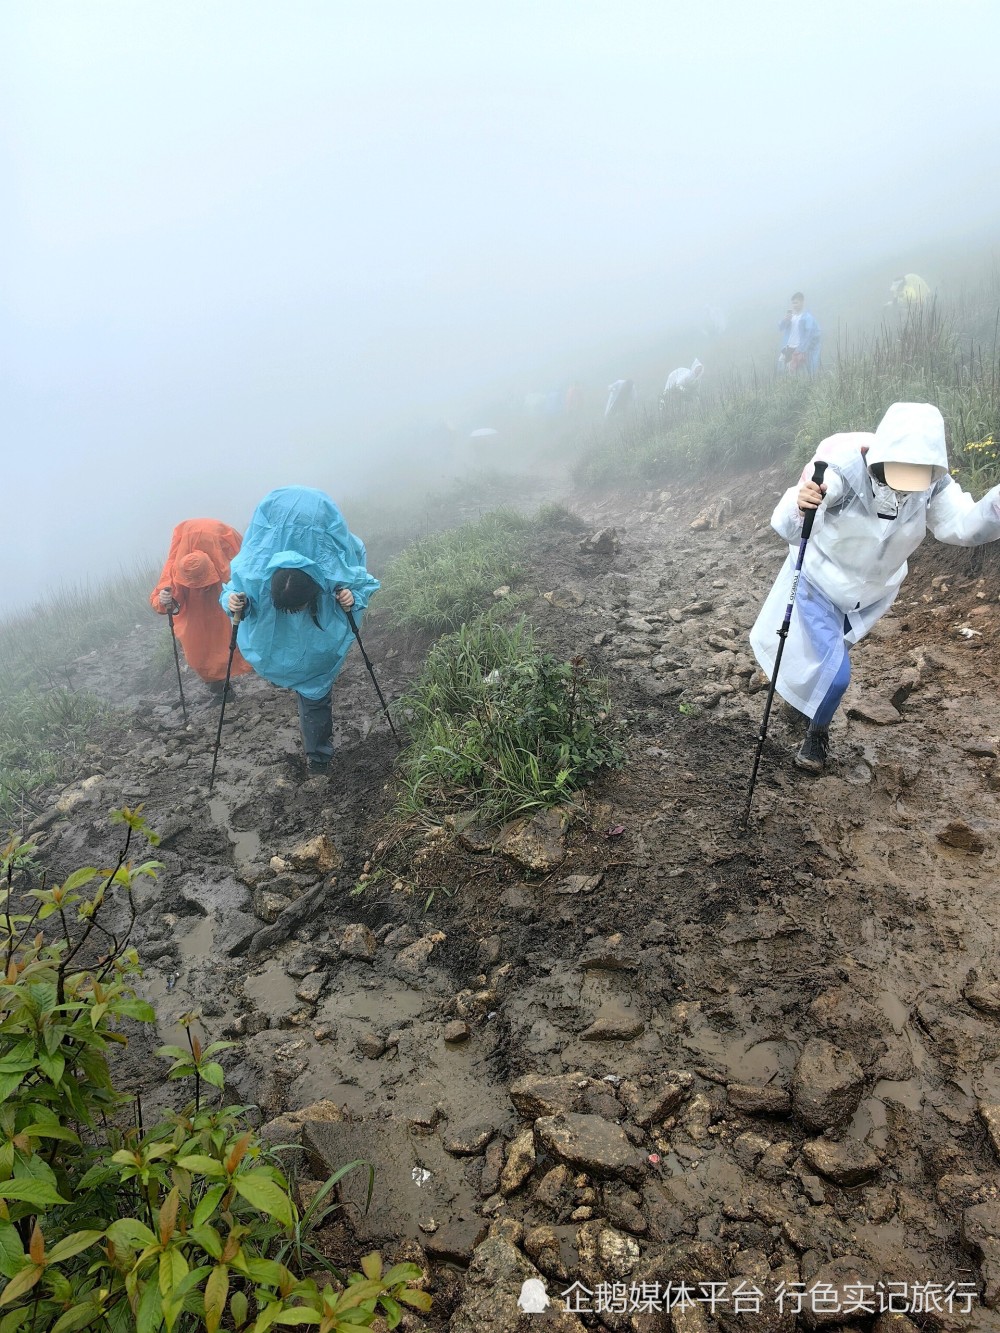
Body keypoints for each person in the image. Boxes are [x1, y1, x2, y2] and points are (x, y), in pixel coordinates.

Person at [750, 403, 1000, 774]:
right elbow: (794, 519)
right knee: (836, 673)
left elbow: (963, 526)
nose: (906, 484)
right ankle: (815, 736)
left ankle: (808, 705)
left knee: (830, 661)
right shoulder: (844, 467)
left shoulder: (931, 485)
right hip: (819, 582)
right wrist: (802, 506)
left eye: (919, 473)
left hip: (871, 595)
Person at [221, 487, 380, 775]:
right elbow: (235, 590)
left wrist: (351, 597)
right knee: (314, 694)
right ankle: (319, 760)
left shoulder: (330, 561)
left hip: (312, 647)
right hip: (309, 646)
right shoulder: (256, 569)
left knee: (314, 692)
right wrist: (232, 602)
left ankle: (318, 759)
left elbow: (360, 580)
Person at [150, 519, 251, 693]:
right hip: (196, 606)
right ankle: (219, 687)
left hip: (223, 588)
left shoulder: (227, 560)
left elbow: (247, 577)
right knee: (198, 646)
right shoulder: (178, 567)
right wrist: (164, 599)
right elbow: (162, 595)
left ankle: (268, 671)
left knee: (239, 629)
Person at [777, 292, 821, 375]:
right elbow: (780, 327)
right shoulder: (791, 317)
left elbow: (809, 335)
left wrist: (802, 350)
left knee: (800, 373)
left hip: (799, 349)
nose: (794, 305)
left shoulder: (807, 317)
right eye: (793, 303)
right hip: (788, 347)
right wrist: (785, 320)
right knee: (787, 372)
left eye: (796, 302)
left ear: (802, 302)